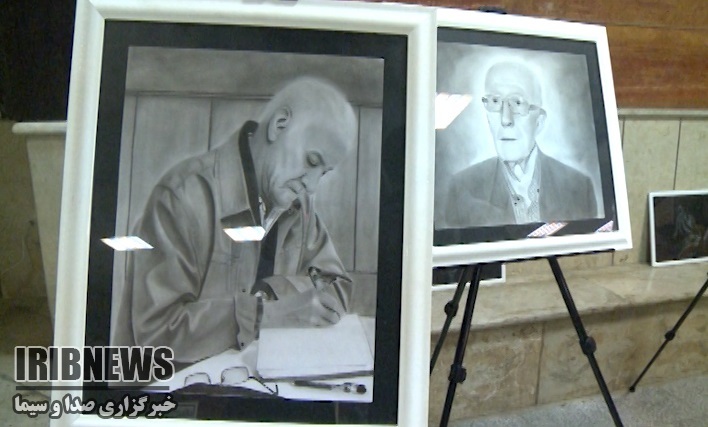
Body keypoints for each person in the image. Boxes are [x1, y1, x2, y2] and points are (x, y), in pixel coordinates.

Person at [113, 77, 358, 365]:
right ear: (280, 124)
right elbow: (156, 335)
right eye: (312, 161)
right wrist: (264, 315)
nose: (312, 185)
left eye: (323, 172)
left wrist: (271, 293)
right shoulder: (181, 196)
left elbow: (337, 287)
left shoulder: (298, 206)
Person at [444, 60, 597, 228]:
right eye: (495, 101)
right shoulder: (461, 189)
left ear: (539, 121)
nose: (505, 119)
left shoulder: (580, 189)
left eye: (517, 103)